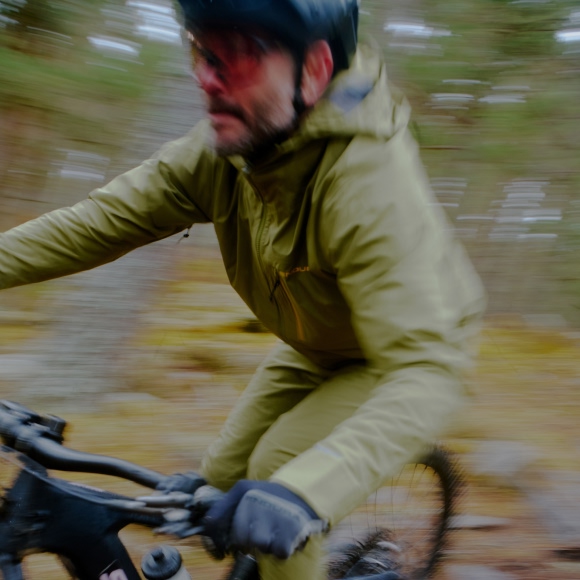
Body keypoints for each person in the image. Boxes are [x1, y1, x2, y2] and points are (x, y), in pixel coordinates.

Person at [0, 0, 486, 578]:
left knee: (280, 470)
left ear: (314, 70)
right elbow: (98, 222)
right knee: (220, 478)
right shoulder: (227, 150)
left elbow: (427, 369)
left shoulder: (369, 184)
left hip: (399, 355)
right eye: (202, 52)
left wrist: (304, 494)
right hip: (316, 343)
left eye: (241, 55)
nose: (208, 77)